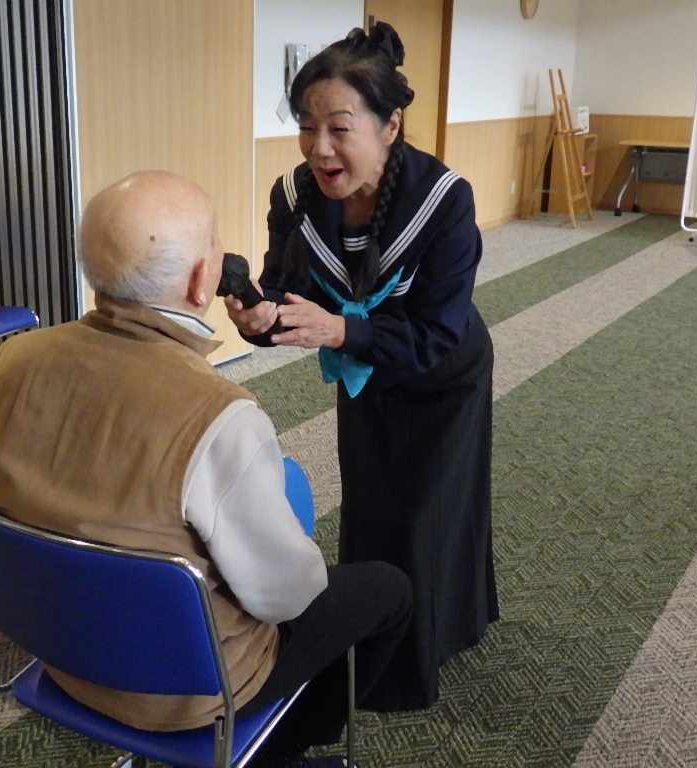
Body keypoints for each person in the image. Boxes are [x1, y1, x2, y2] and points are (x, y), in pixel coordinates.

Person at [0, 170, 412, 768]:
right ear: (203, 278)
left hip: (58, 647)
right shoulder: (219, 414)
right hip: (184, 695)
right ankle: (271, 753)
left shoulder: (14, 358)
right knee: (387, 591)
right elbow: (285, 596)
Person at [226, 22, 498, 711]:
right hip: (363, 370)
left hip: (443, 372)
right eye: (306, 126)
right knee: (373, 505)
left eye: (339, 128)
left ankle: (424, 650)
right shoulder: (295, 197)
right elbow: (287, 291)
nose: (319, 147)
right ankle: (376, 640)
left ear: (389, 124)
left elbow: (437, 329)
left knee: (429, 512)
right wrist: (260, 321)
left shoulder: (444, 200)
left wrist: (342, 329)